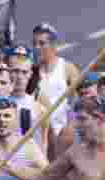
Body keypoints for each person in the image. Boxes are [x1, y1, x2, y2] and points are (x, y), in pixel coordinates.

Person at [32, 22, 80, 150]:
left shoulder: (67, 68)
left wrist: (70, 126)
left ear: (53, 45)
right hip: (40, 134)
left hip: (63, 133)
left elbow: (78, 102)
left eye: (42, 43)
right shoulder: (31, 72)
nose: (37, 48)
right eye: (34, 44)